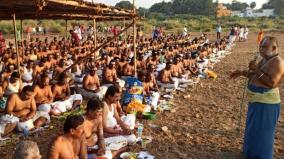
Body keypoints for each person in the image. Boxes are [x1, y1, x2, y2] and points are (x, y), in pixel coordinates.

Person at [230, 36, 283, 159]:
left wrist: (256, 69)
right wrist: (242, 73)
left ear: (274, 48)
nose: (261, 49)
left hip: (266, 103)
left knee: (262, 133)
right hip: (257, 101)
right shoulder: (265, 59)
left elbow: (271, 83)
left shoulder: (278, 62)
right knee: (253, 129)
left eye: (264, 47)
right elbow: (256, 76)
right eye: (260, 46)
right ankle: (250, 153)